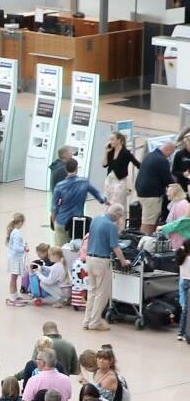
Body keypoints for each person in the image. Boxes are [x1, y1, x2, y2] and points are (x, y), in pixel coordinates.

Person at [83, 203, 130, 331]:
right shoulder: (111, 226)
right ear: (117, 214)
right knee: (102, 293)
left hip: (89, 258)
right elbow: (115, 246)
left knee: (92, 292)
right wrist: (123, 261)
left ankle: (87, 321)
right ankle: (95, 322)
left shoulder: (96, 219)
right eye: (120, 216)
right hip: (101, 261)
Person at [50, 158, 105, 246]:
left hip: (62, 221)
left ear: (65, 169)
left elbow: (54, 206)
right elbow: (99, 196)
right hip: (77, 222)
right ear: (77, 168)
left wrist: (53, 221)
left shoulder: (59, 186)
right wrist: (106, 201)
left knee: (60, 249)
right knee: (76, 248)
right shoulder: (84, 182)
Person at [135, 140, 175, 236]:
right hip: (151, 196)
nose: (169, 156)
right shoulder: (162, 160)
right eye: (171, 153)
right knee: (148, 222)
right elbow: (167, 180)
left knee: (149, 219)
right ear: (168, 150)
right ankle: (143, 243)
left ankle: (147, 240)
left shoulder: (150, 155)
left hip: (142, 192)